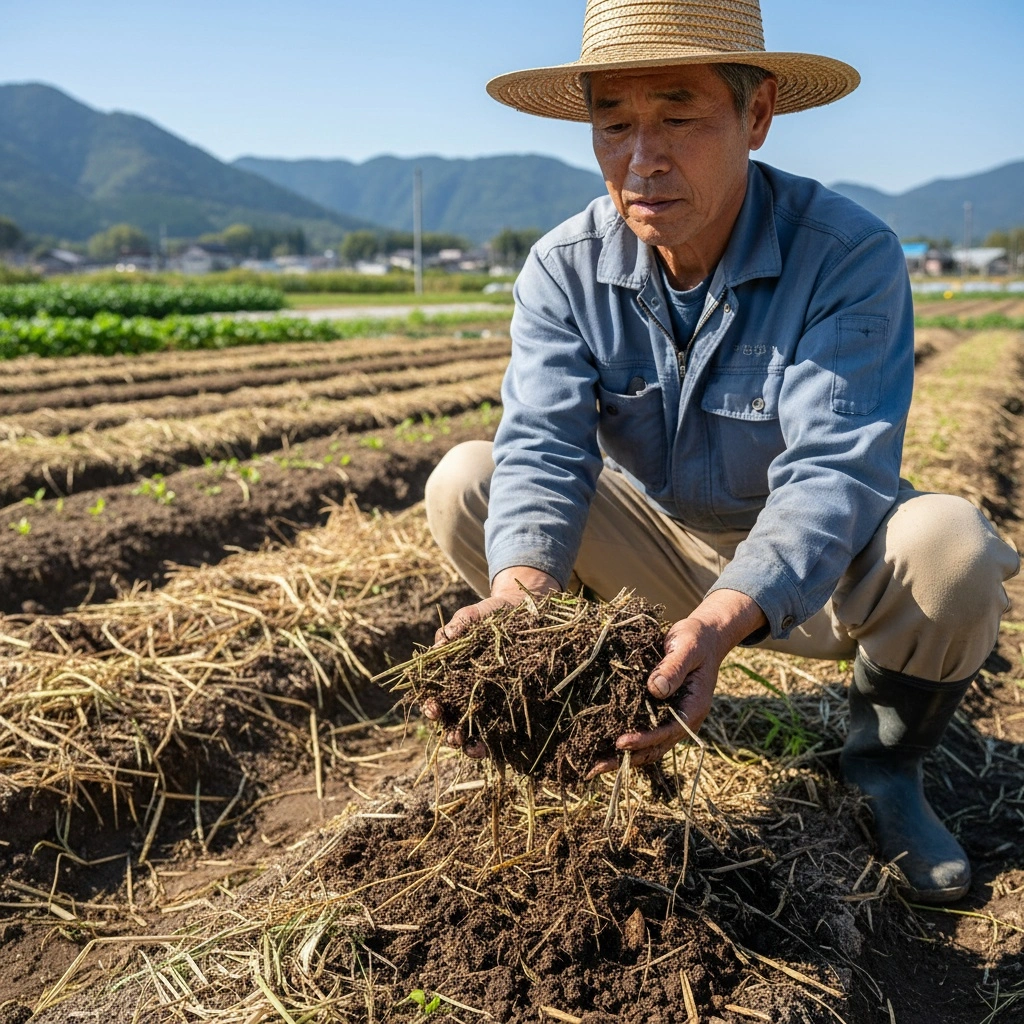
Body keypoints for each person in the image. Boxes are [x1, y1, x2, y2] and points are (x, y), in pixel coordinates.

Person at [422, 0, 1018, 905]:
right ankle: (605, 706)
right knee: (469, 480)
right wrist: (520, 602)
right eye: (614, 124)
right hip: (655, 550)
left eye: (678, 117)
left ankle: (884, 768)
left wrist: (724, 618)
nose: (642, 157)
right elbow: (543, 444)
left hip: (817, 573)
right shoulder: (563, 266)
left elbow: (832, 471)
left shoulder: (846, 255)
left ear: (759, 114)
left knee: (952, 549)